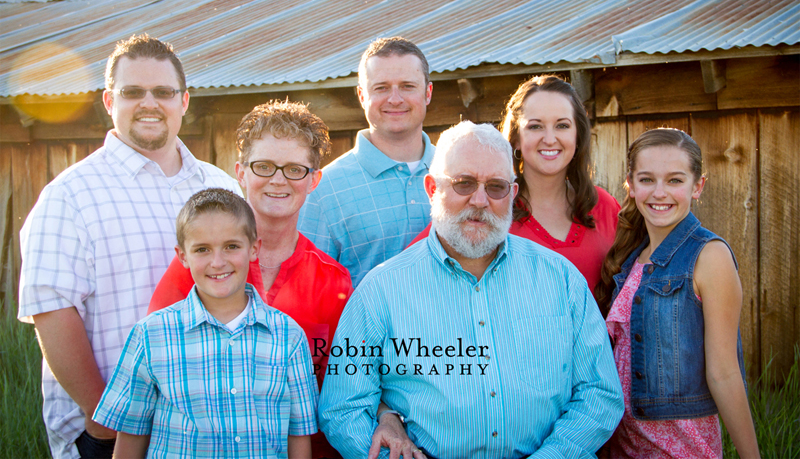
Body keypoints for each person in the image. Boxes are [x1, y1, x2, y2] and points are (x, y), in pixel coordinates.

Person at [319, 121, 623, 458]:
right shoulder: (380, 291)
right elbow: (342, 408)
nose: (479, 200)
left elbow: (600, 393)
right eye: (463, 183)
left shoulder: (561, 280)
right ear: (433, 188)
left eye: (495, 187)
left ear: (512, 194)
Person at [17, 34, 241, 459]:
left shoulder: (222, 186)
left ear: (185, 101)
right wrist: (101, 415)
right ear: (108, 101)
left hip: (215, 427)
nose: (149, 103)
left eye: (163, 92)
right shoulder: (70, 195)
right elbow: (53, 309)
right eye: (133, 92)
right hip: (112, 432)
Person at [148, 100, 353, 458]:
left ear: (314, 180)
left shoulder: (333, 281)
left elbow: (346, 387)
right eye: (264, 166)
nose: (278, 179)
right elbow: (154, 372)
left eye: (294, 169)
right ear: (241, 173)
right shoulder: (198, 269)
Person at [93, 188, 318, 458]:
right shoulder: (151, 335)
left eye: (231, 246)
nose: (218, 262)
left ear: (254, 248)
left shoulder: (288, 336)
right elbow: (131, 437)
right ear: (183, 256)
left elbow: (299, 435)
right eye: (202, 249)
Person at [595, 128, 760, 458]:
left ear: (697, 186)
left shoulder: (708, 256)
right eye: (646, 179)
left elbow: (724, 372)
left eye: (674, 180)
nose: (659, 192)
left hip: (680, 449)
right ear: (629, 184)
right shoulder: (631, 258)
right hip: (624, 447)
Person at [410, 75, 619, 292]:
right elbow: (412, 261)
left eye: (562, 125)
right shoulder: (490, 208)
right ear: (516, 137)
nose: (549, 138)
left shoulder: (604, 206)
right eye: (536, 127)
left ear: (578, 135)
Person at [298, 36, 435, 287]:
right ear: (362, 96)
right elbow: (312, 291)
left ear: (427, 93)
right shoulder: (324, 191)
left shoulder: (458, 175)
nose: (395, 99)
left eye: (407, 86)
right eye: (381, 87)